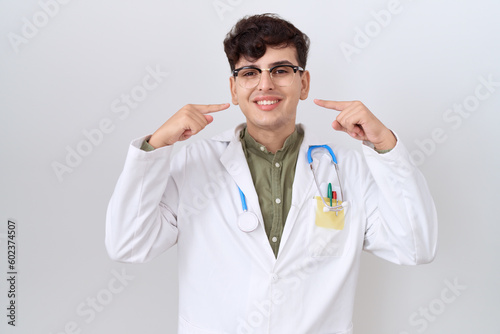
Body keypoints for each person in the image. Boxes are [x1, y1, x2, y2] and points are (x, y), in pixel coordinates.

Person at [106, 13, 437, 334]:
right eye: (250, 73)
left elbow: (416, 246)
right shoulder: (196, 163)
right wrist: (157, 146)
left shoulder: (346, 170)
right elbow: (129, 244)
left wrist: (386, 147)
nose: (265, 84)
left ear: (303, 83)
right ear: (234, 89)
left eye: (280, 70)